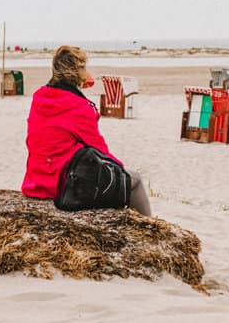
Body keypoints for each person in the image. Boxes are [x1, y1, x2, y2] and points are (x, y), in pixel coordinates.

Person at [23, 44, 152, 215]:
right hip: (62, 183)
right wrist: (120, 171)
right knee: (134, 181)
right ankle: (149, 226)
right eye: (83, 67)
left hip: (36, 181)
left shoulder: (40, 97)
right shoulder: (78, 106)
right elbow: (100, 149)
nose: (86, 72)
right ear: (75, 72)